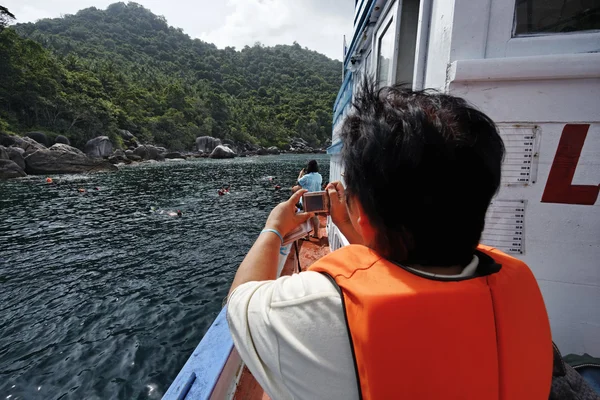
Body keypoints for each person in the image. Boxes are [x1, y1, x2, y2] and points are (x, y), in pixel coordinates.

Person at [226, 83, 553, 400]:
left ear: (363, 216)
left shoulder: (321, 309)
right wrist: (345, 219)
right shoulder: (518, 283)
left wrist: (273, 228)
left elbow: (240, 300)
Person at [292, 160, 322, 239]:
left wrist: (300, 174)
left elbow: (298, 183)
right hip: (317, 199)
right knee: (315, 217)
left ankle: (306, 236)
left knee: (305, 217)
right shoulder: (319, 176)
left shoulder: (306, 177)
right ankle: (315, 234)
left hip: (307, 199)